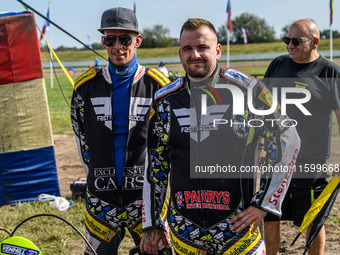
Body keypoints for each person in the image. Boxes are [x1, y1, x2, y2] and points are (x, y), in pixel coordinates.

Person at [140, 18, 300, 255]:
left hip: (239, 232)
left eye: (202, 47)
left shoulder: (248, 90)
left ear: (217, 50)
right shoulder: (165, 100)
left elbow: (287, 137)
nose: (195, 54)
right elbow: (156, 166)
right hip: (185, 232)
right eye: (187, 49)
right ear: (180, 53)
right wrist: (152, 223)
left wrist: (264, 202)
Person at [70, 7, 170, 255]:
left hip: (146, 201)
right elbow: (82, 142)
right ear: (103, 41)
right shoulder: (84, 88)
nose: (117, 47)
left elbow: (170, 147)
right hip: (101, 200)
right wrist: (97, 178)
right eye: (110, 39)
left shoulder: (159, 86)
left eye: (125, 39)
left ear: (137, 40)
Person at [261, 19, 340, 255]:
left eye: (297, 41)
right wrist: (261, 148)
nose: (290, 45)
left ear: (315, 42)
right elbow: (262, 108)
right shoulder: (277, 65)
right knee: (269, 215)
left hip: (311, 161)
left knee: (313, 218)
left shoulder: (329, 71)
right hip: (275, 158)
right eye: (287, 40)